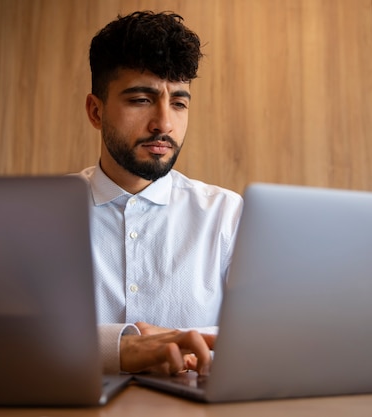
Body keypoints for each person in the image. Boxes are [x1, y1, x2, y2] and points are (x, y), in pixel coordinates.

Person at [76, 11, 243, 376]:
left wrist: (178, 342)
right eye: (141, 100)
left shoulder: (227, 215)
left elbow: (269, 337)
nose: (164, 124)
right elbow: (5, 341)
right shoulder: (40, 216)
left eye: (179, 103)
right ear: (95, 111)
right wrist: (121, 348)